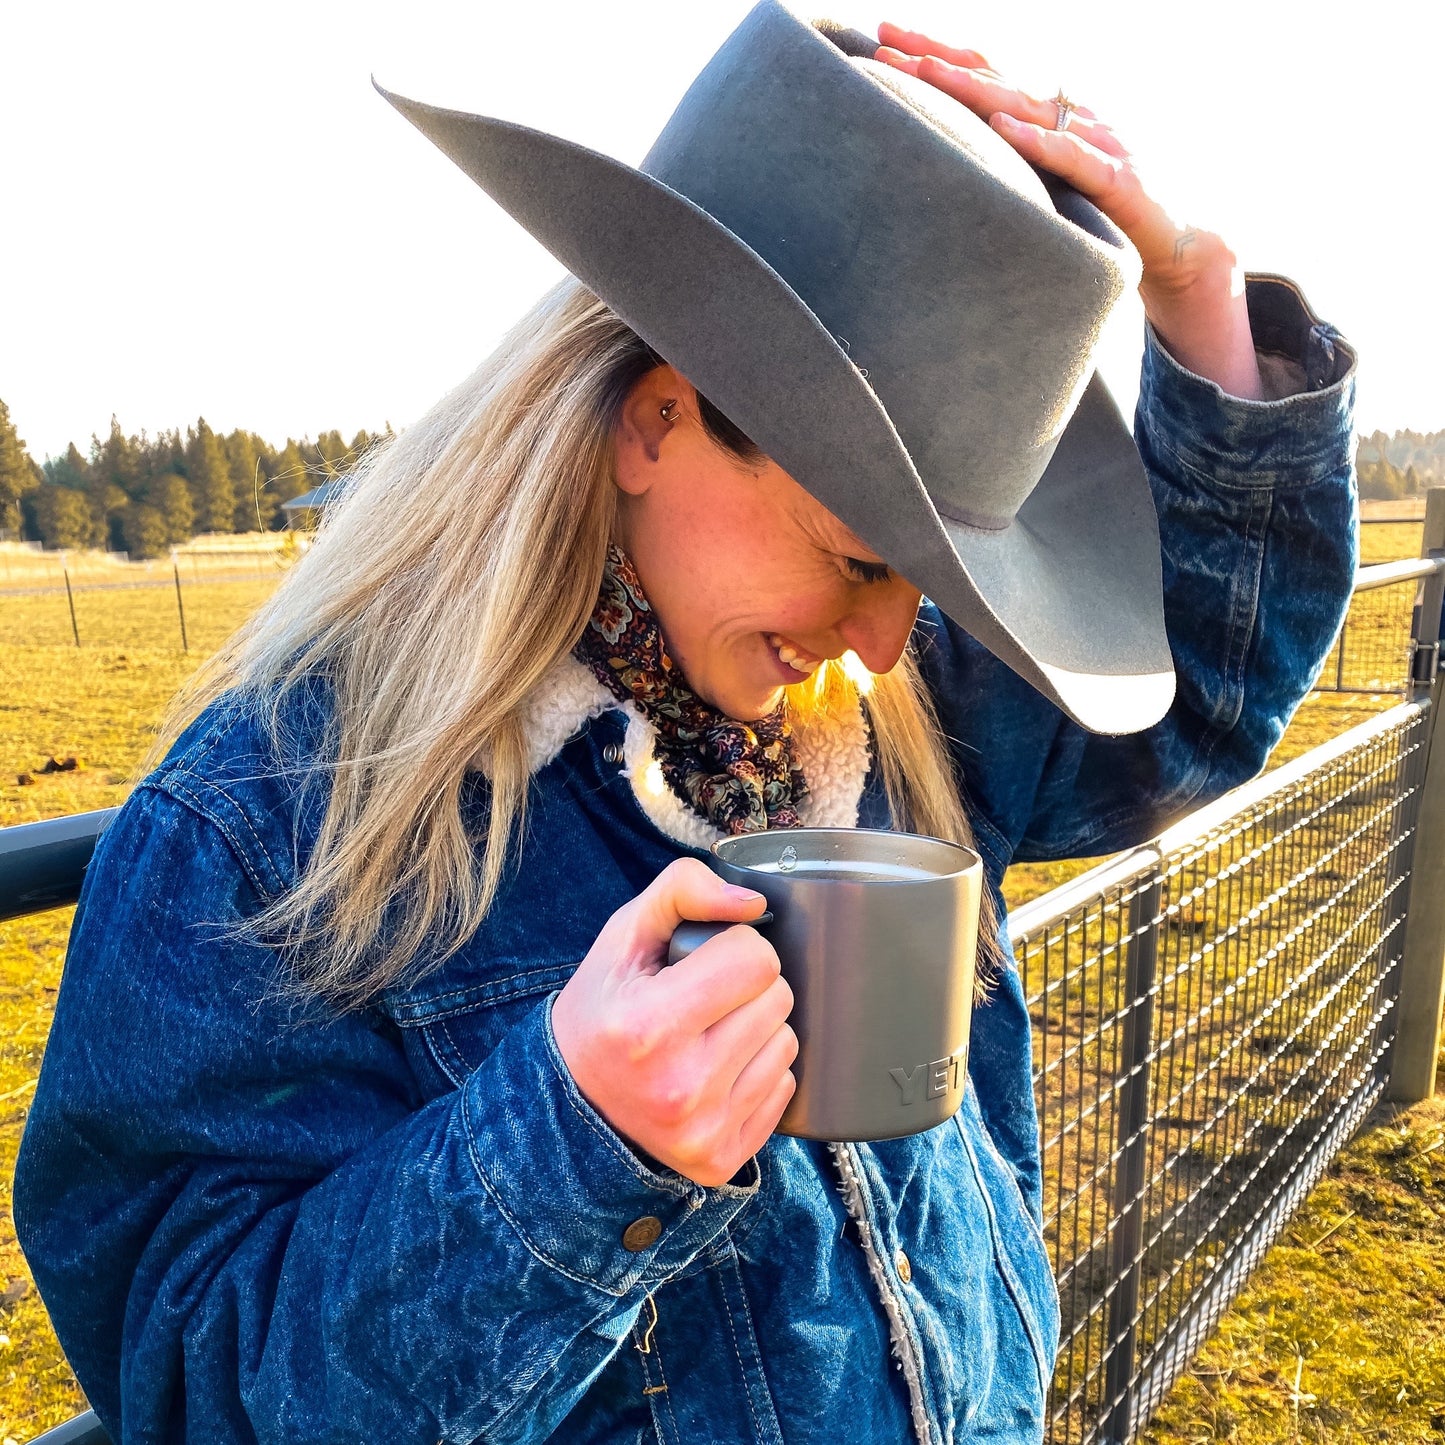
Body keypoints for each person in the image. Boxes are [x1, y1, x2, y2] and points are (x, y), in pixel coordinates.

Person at [16, 7, 1357, 1443]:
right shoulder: (280, 824)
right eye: (859, 556)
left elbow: (1187, 715)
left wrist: (1199, 303)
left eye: (935, 580)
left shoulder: (874, 728)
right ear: (654, 422)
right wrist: (568, 1153)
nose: (889, 640)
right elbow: (186, 1375)